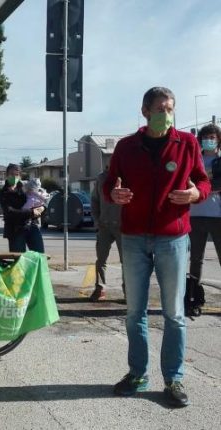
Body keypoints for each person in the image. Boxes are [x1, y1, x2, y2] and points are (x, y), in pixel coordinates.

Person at [103, 87, 210, 407]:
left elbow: (202, 182)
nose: (167, 113)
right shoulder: (126, 146)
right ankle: (138, 374)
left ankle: (173, 379)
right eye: (161, 108)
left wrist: (194, 195)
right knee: (135, 312)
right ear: (145, 111)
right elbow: (110, 182)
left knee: (174, 314)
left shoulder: (187, 144)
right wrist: (113, 194)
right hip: (133, 238)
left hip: (173, 239)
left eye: (171, 108)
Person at [189, 124, 221, 292]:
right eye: (206, 137)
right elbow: (189, 183)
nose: (209, 140)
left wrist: (204, 187)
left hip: (218, 216)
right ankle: (193, 297)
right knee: (195, 259)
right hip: (196, 215)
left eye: (213, 137)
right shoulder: (195, 161)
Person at [90, 166, 125, 302]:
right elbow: (94, 200)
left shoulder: (129, 175)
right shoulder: (101, 177)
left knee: (126, 262)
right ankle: (100, 289)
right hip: (104, 225)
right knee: (101, 260)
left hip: (123, 227)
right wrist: (96, 220)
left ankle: (128, 292)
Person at [0, 163, 45, 253]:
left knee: (40, 256)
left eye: (17, 175)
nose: (14, 177)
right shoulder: (3, 192)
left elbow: (40, 199)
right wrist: (31, 212)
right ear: (7, 175)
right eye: (11, 174)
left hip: (32, 226)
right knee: (19, 260)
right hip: (15, 229)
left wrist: (43, 208)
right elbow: (9, 212)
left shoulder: (27, 188)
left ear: (20, 176)